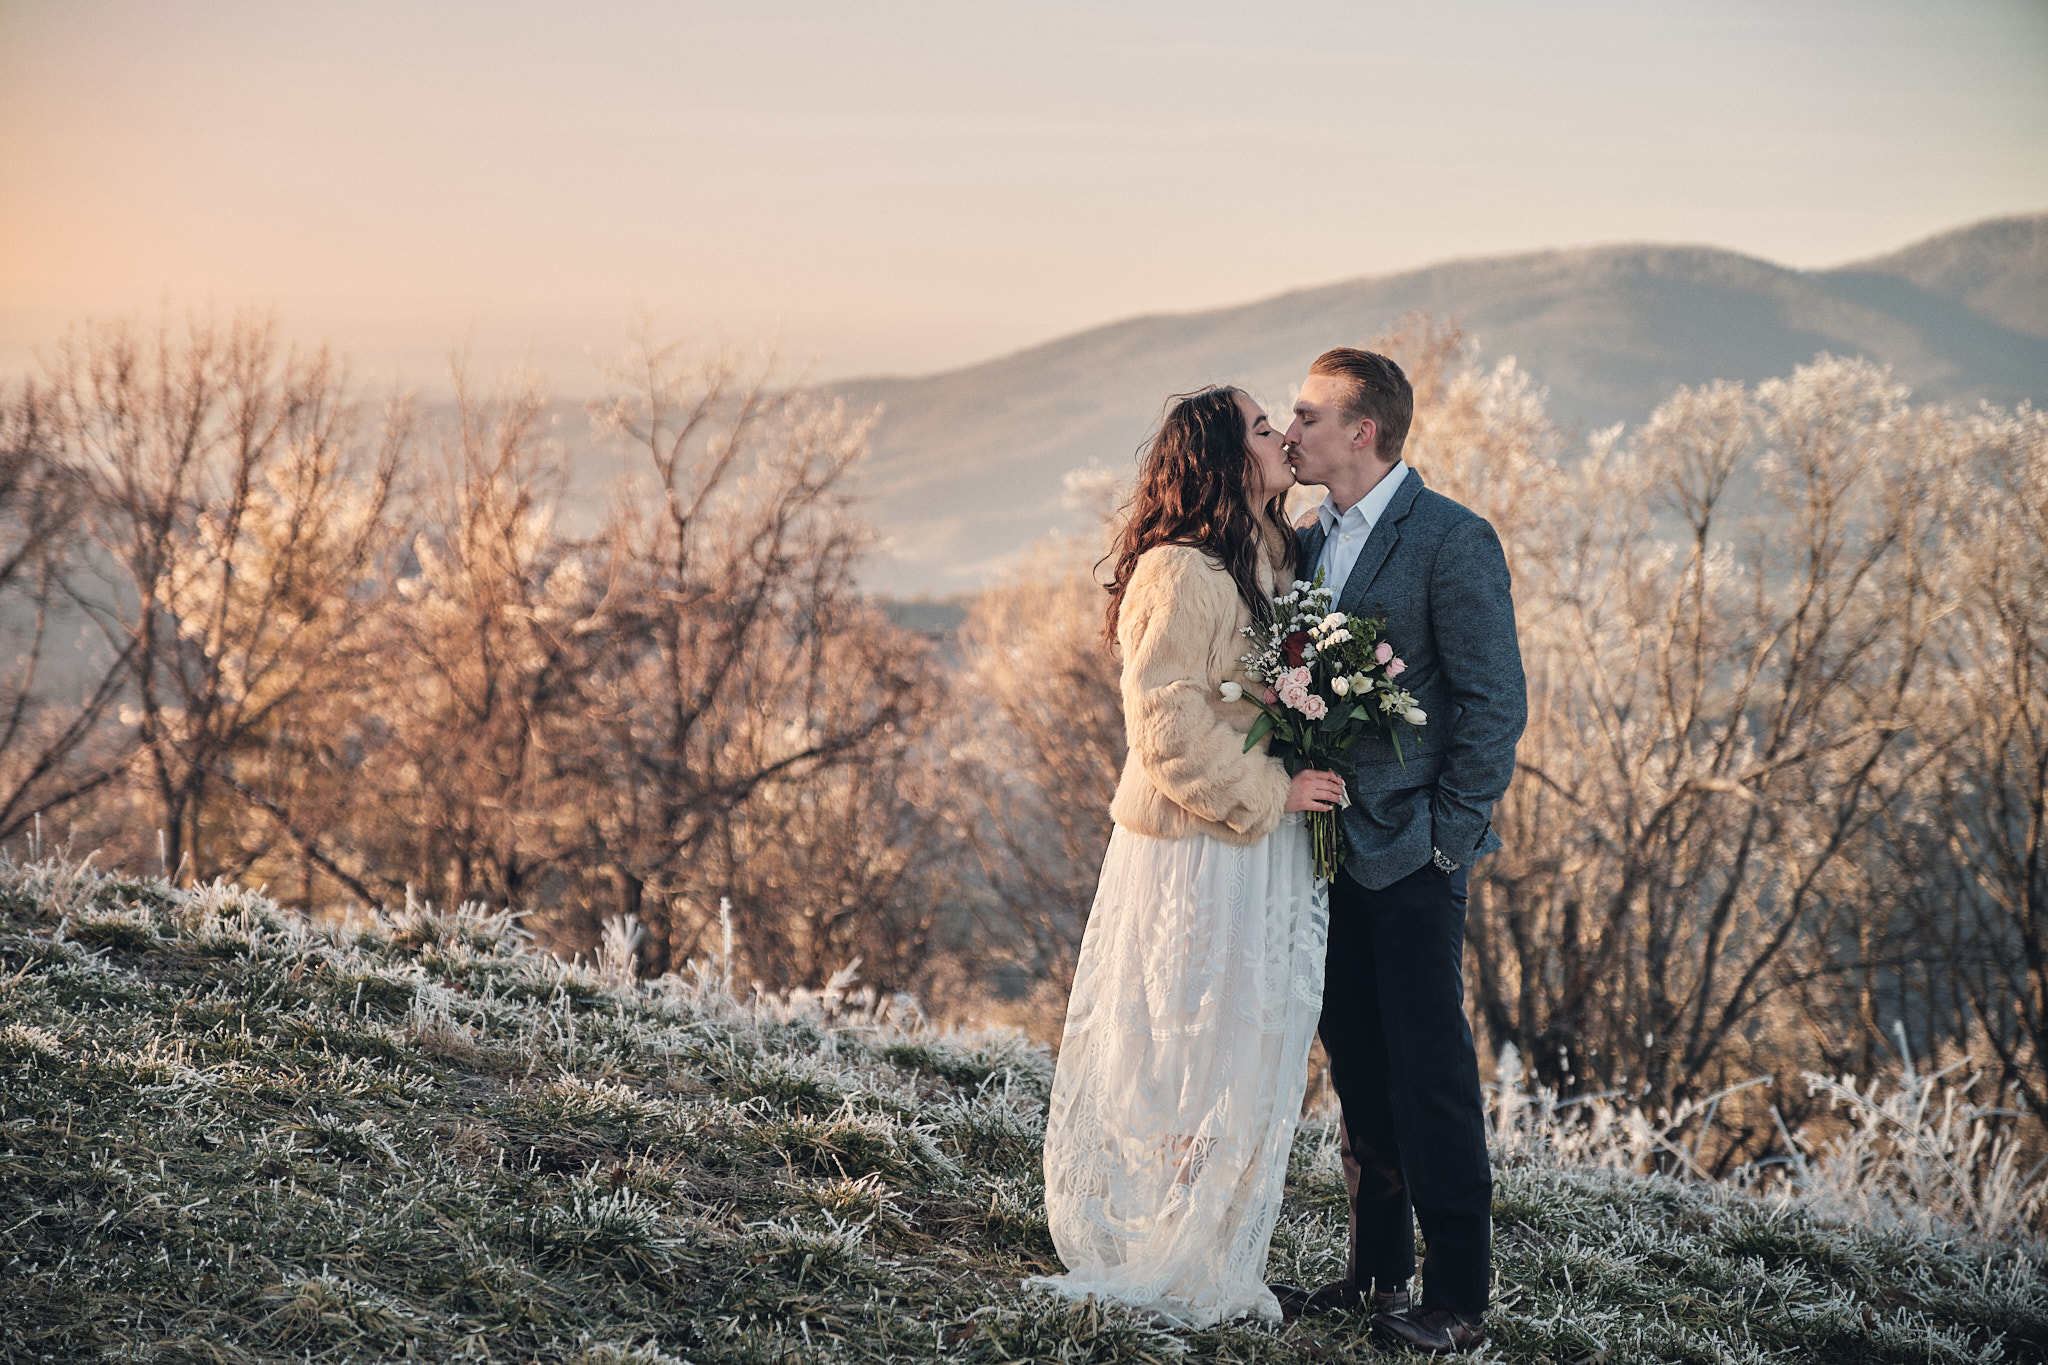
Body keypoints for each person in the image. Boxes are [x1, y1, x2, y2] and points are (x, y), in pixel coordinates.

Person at [1026, 385, 1347, 1328]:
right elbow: (1162, 722)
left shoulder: (1278, 556)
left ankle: (1209, 1244)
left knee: (1248, 1041)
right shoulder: (1178, 570)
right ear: (1221, 459)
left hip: (1263, 855)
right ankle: (1164, 1243)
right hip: (1196, 849)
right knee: (1184, 1041)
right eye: (1261, 426)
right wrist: (1270, 792)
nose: (1282, 435)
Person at [1267, 348, 1526, 1355]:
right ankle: (1374, 1274)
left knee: (1428, 1072)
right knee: (1359, 1066)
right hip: (1319, 850)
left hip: (1413, 856)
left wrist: (1444, 841)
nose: (1290, 433)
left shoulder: (1449, 539)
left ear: (1359, 429)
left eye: (1304, 415)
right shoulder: (1298, 540)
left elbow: (1492, 700)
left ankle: (1455, 1295)